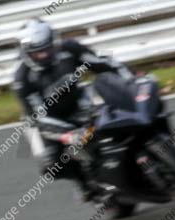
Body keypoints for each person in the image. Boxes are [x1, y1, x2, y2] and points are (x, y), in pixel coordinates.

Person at [12, 18, 135, 199]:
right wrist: (69, 134)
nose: (45, 55)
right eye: (39, 53)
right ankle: (83, 183)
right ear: (27, 53)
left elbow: (103, 63)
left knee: (113, 118)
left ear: (54, 41)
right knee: (51, 163)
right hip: (45, 121)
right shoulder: (22, 79)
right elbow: (37, 117)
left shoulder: (69, 49)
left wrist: (131, 79)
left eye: (48, 49)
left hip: (78, 102)